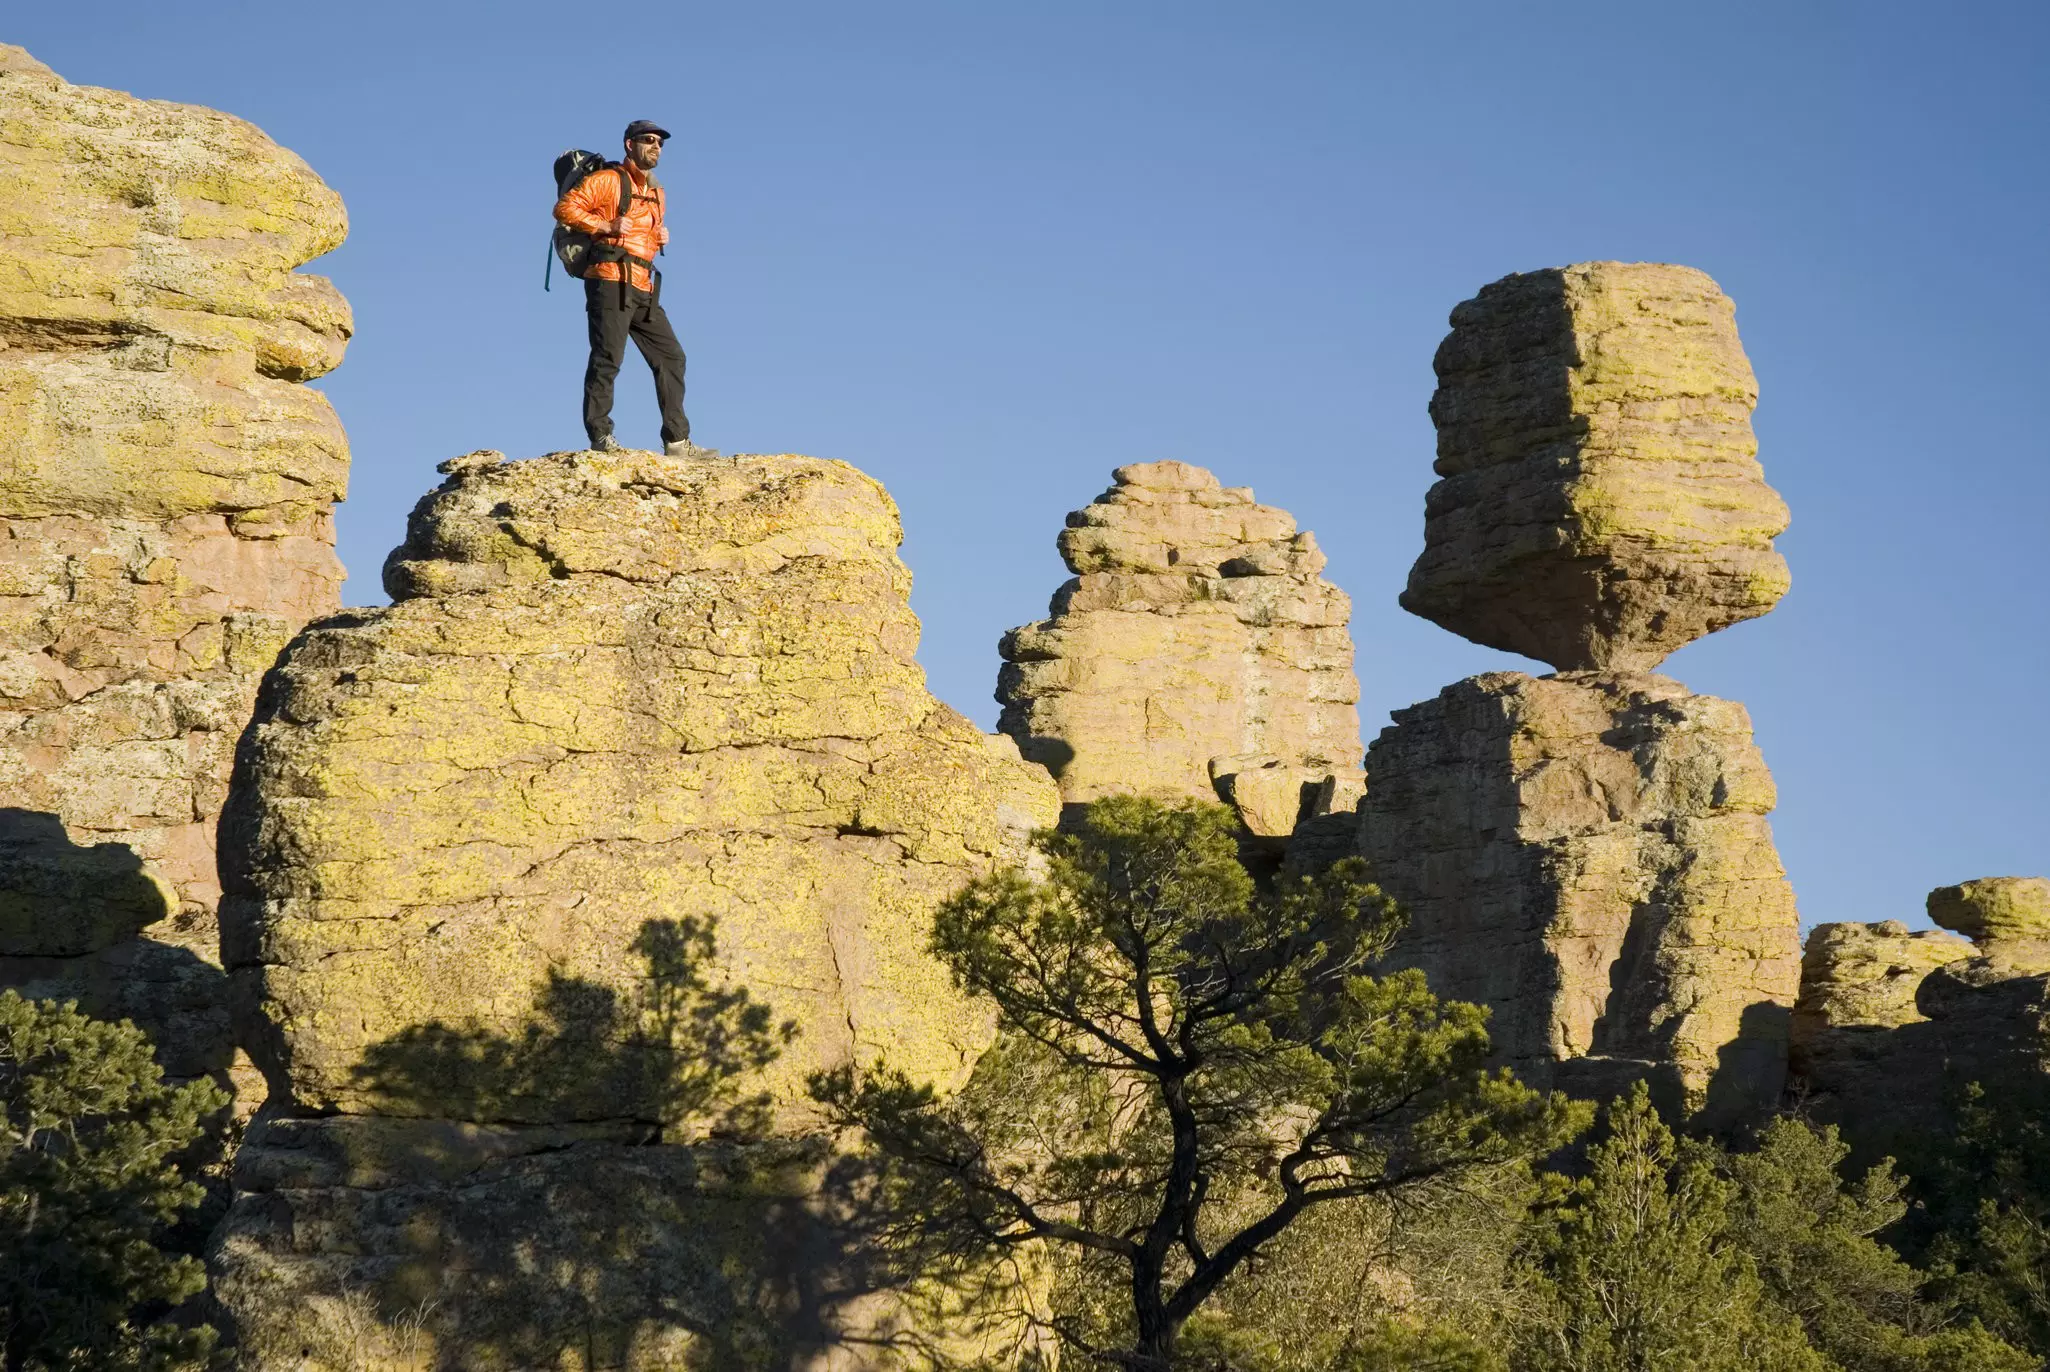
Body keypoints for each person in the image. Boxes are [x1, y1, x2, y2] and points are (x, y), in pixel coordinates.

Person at [554, 119, 711, 456]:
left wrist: (659, 237)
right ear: (630, 145)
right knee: (608, 358)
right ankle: (600, 436)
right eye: (648, 140)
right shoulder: (608, 180)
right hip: (609, 278)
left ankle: (677, 441)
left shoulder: (657, 192)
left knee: (672, 357)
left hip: (643, 284)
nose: (656, 146)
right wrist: (604, 223)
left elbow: (643, 233)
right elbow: (565, 208)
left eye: (660, 142)